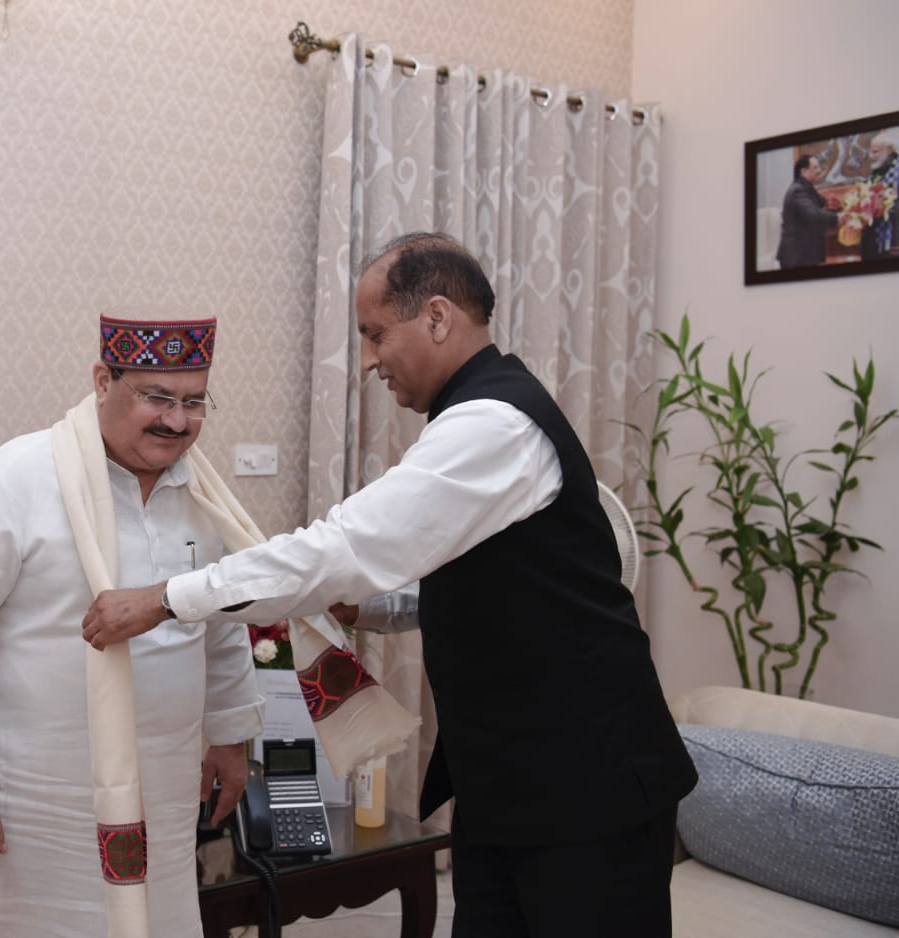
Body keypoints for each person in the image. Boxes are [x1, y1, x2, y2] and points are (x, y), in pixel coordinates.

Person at [83, 233, 699, 938]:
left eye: (376, 334)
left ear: (437, 318)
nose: (369, 359)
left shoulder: (493, 425)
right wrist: (374, 607)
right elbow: (491, 578)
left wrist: (166, 599)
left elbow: (342, 546)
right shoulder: (474, 417)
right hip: (510, 782)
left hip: (589, 784)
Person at [0, 312, 264, 937]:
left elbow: (223, 626)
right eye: (157, 397)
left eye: (194, 402)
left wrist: (230, 740)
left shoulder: (204, 496)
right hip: (33, 811)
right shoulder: (15, 479)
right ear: (102, 379)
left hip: (164, 801)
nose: (176, 421)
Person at [775, 154, 838, 269]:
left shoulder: (806, 187)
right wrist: (838, 218)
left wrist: (834, 203)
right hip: (797, 256)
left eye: (819, 167)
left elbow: (823, 202)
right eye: (815, 168)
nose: (819, 171)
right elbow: (814, 215)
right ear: (803, 172)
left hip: (804, 253)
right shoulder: (798, 191)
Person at [862, 129, 899, 260]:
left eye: (875, 152)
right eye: (870, 152)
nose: (871, 156)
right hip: (872, 240)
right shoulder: (875, 172)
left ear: (889, 150)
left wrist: (886, 205)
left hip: (893, 240)